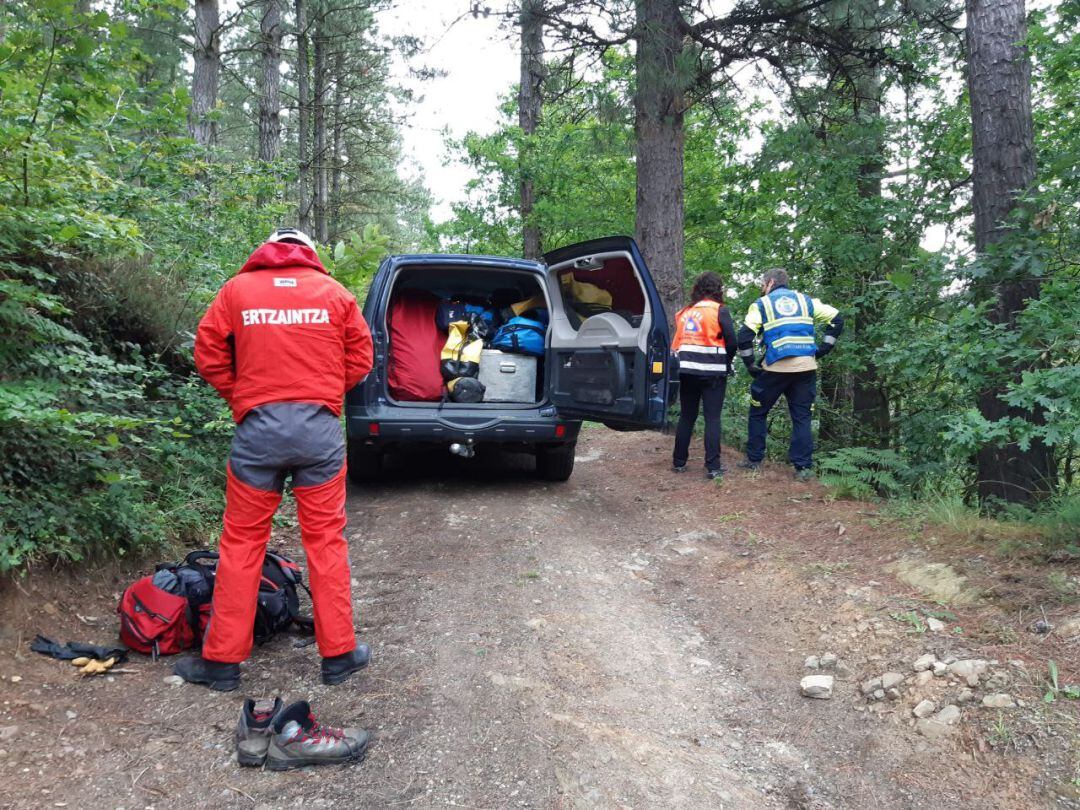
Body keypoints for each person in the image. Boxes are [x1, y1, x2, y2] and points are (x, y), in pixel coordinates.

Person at [175, 228, 374, 691]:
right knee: (326, 541)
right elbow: (361, 358)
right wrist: (322, 395)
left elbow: (207, 354)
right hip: (319, 431)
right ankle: (339, 654)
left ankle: (222, 663)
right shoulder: (334, 293)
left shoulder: (236, 291)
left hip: (257, 431)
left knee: (242, 544)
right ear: (309, 253)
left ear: (264, 249)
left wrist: (242, 396)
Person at [736, 268, 843, 481]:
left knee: (758, 411)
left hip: (775, 368)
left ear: (771, 282)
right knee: (802, 417)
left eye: (762, 284)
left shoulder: (762, 304)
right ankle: (802, 468)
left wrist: (750, 365)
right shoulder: (806, 301)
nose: (761, 288)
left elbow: (744, 335)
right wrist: (824, 349)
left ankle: (754, 461)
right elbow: (837, 318)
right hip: (806, 367)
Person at [670, 272, 738, 479]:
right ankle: (713, 467)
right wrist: (725, 362)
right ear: (717, 289)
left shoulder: (684, 312)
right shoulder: (719, 310)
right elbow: (732, 342)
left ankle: (679, 462)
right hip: (713, 373)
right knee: (712, 418)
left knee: (687, 416)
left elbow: (676, 344)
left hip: (687, 370)